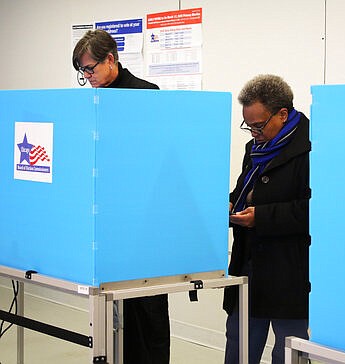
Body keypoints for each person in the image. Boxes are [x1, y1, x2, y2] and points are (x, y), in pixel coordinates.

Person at [72, 29, 170, 364]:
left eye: (91, 69)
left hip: (142, 220)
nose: (88, 77)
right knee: (110, 313)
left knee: (148, 309)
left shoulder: (144, 94)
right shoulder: (93, 100)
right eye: (82, 72)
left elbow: (153, 158)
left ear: (111, 59)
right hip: (107, 220)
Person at [224, 74, 311, 364]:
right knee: (239, 343)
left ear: (283, 114)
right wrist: (228, 205)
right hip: (249, 262)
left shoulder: (313, 147)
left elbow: (316, 210)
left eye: (258, 125)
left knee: (288, 350)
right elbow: (244, 190)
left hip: (289, 268)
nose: (253, 133)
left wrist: (262, 217)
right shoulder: (255, 148)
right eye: (247, 126)